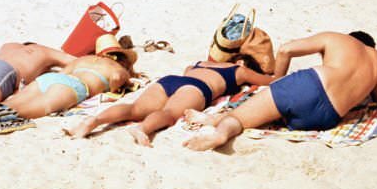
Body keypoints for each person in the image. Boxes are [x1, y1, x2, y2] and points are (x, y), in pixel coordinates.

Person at [183, 31, 377, 151]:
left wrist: (277, 81)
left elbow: (286, 49)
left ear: (352, 38)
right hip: (325, 117)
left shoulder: (338, 39)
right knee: (268, 115)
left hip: (311, 84)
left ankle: (220, 135)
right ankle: (215, 119)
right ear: (372, 47)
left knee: (242, 117)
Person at [0, 36, 137, 139]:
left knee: (10, 103)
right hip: (74, 87)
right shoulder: (118, 69)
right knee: (18, 112)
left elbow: (65, 70)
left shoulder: (85, 59)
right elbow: (117, 79)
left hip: (51, 79)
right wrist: (128, 80)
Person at [69, 54, 273, 145]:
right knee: (168, 114)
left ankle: (92, 121)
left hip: (173, 79)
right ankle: (142, 129)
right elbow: (273, 81)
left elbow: (187, 71)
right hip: (196, 88)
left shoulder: (200, 63)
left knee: (135, 108)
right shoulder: (240, 70)